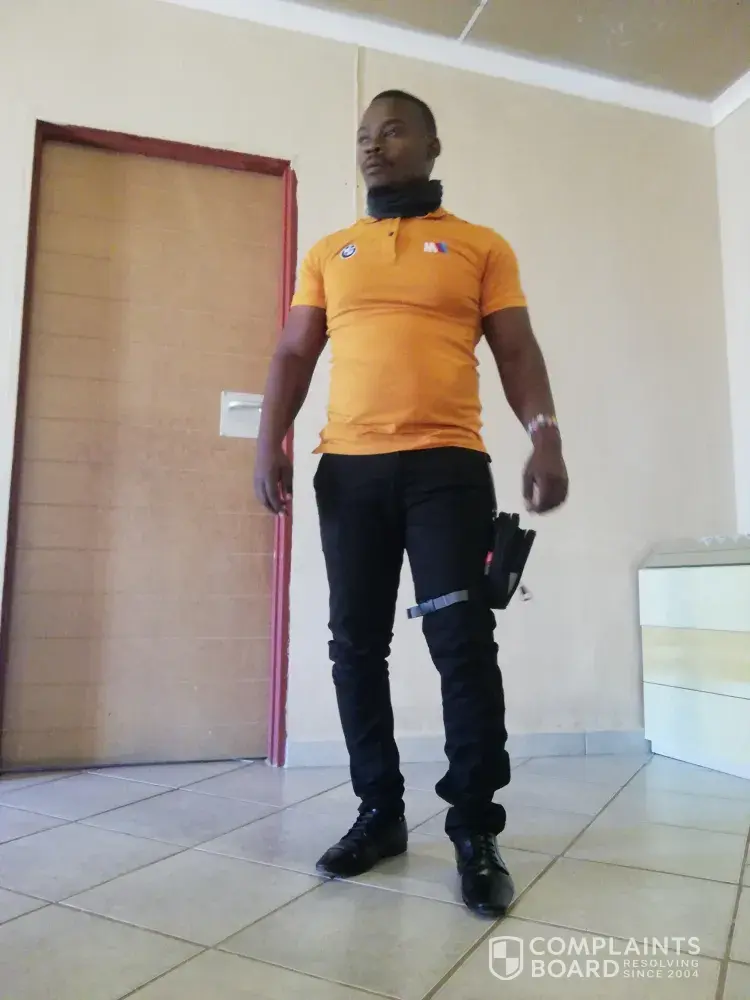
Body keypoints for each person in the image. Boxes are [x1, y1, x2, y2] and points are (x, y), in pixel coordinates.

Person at [254, 90, 568, 917]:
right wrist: (269, 437)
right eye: (363, 134)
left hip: (447, 470)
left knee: (460, 642)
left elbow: (516, 349)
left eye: (392, 131)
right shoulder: (330, 251)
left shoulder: (480, 246)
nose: (372, 145)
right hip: (348, 472)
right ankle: (380, 813)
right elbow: (293, 351)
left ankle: (474, 829)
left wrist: (545, 435)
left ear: (431, 145)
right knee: (355, 646)